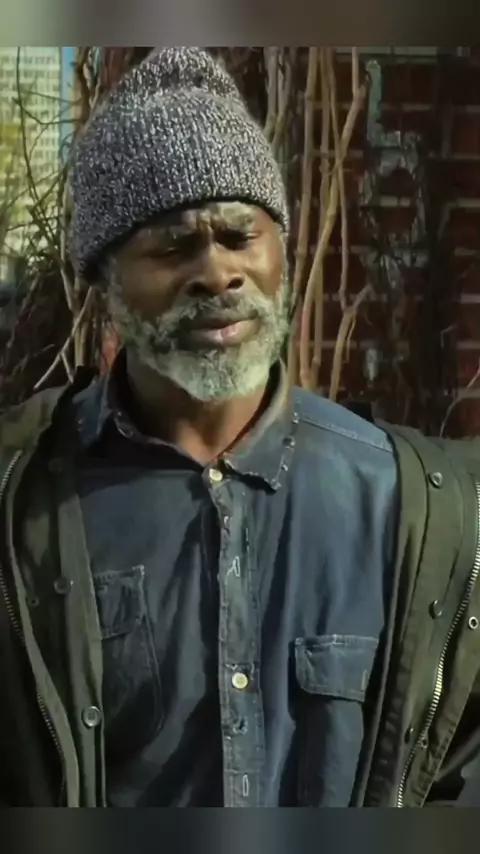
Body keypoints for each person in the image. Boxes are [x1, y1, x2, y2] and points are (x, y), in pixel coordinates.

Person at [0, 47, 479, 808]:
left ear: (281, 247)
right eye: (173, 246)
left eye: (239, 235)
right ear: (104, 280)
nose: (217, 274)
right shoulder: (22, 508)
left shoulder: (411, 509)